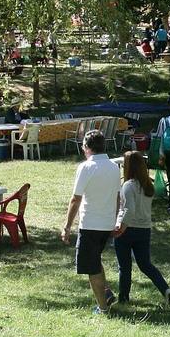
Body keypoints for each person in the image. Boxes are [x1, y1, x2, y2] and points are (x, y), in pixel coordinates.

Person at [61, 130, 121, 313]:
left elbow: (75, 199)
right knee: (95, 259)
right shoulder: (114, 167)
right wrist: (115, 219)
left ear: (87, 147)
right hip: (107, 224)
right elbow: (117, 197)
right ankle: (106, 292)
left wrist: (67, 226)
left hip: (90, 225)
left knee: (91, 267)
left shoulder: (86, 167)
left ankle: (103, 308)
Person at [112, 151, 170, 307]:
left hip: (128, 230)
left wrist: (121, 228)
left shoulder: (128, 186)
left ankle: (124, 298)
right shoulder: (148, 185)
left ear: (128, 167)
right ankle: (166, 290)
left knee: (124, 267)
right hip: (144, 230)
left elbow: (129, 210)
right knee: (146, 264)